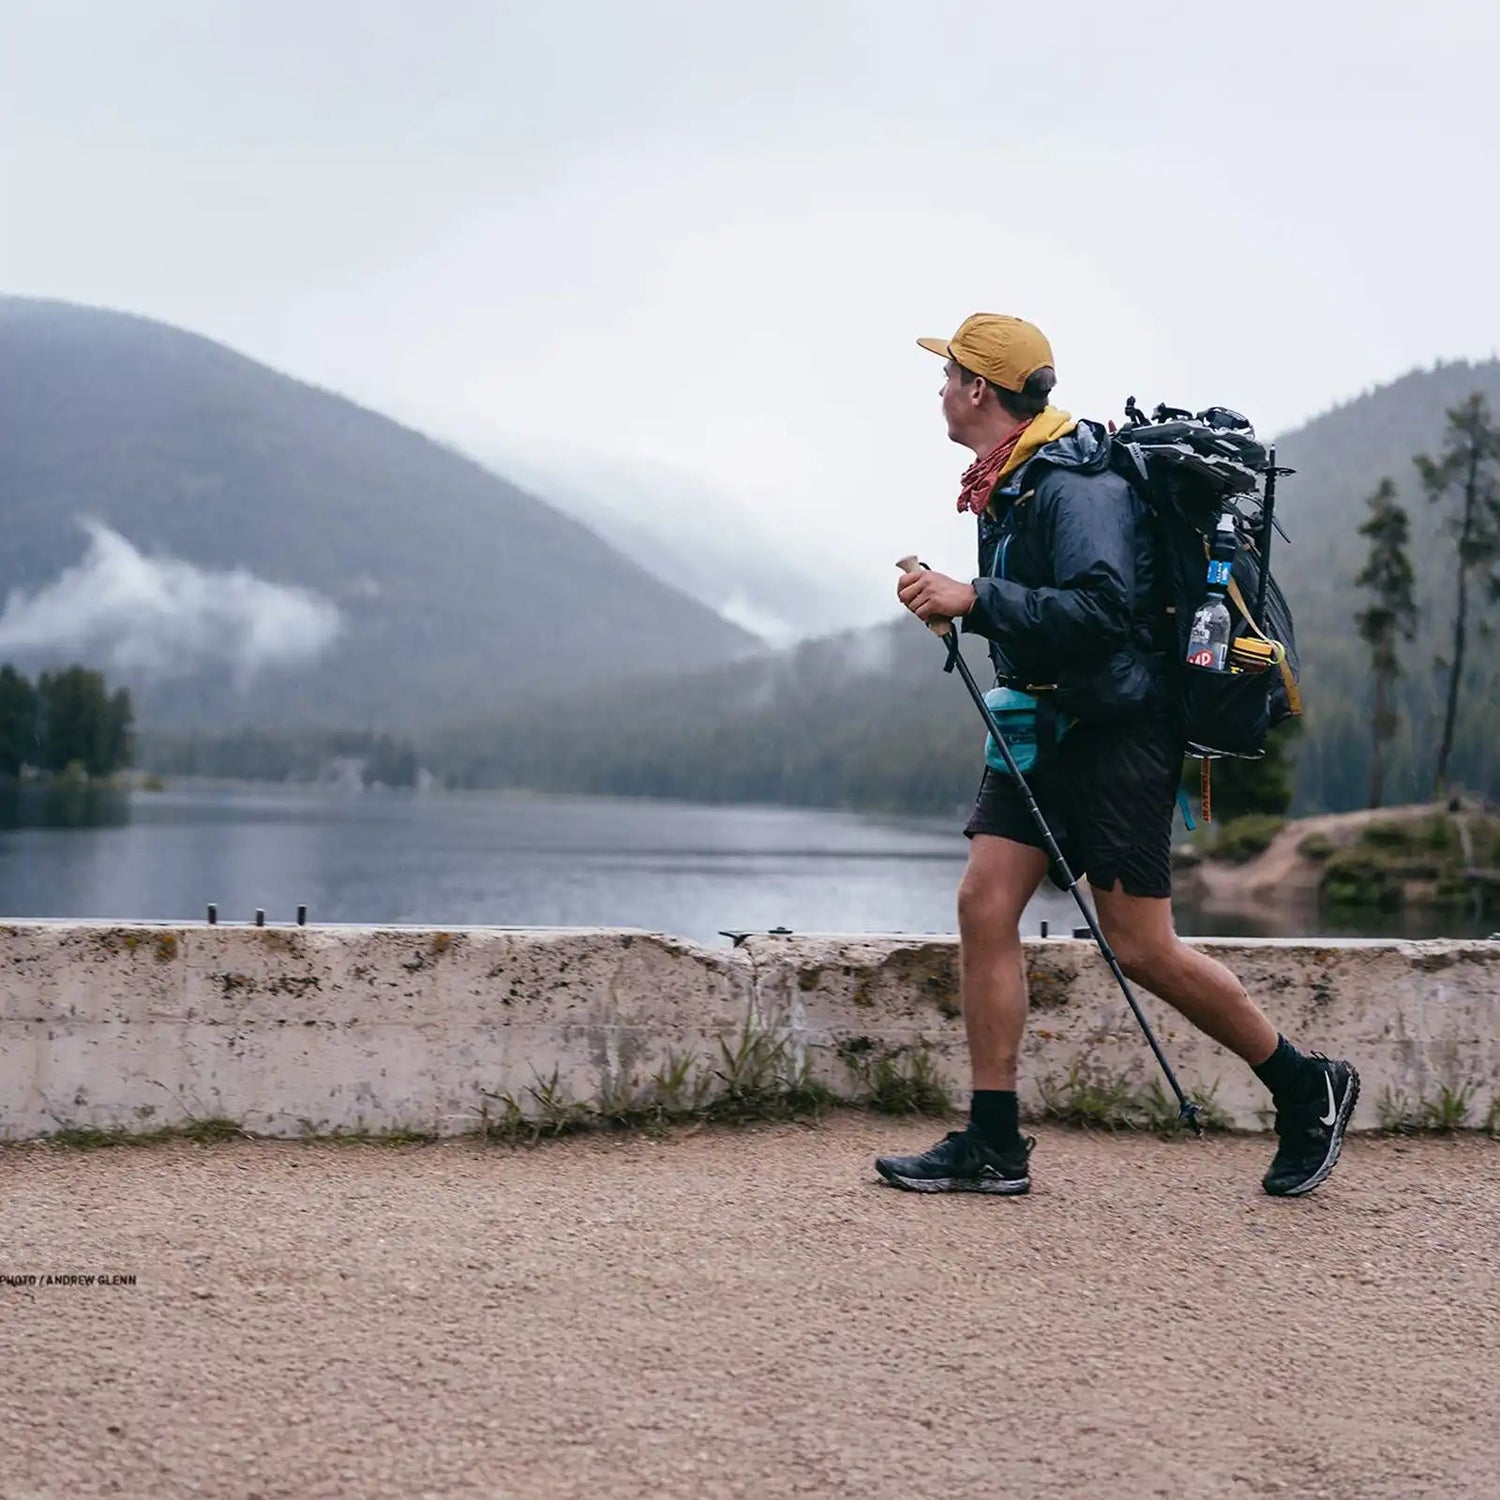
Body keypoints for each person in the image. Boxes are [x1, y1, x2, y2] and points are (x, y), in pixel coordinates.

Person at [877, 313, 1358, 1199]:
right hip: (1041, 723)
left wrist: (976, 596)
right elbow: (1040, 608)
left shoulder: (1076, 482)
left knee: (1141, 946)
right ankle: (993, 1142)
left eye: (948, 375)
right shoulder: (1012, 480)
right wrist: (968, 605)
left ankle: (1305, 1084)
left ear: (981, 389)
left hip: (1120, 734)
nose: (939, 389)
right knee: (986, 903)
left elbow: (1103, 613)